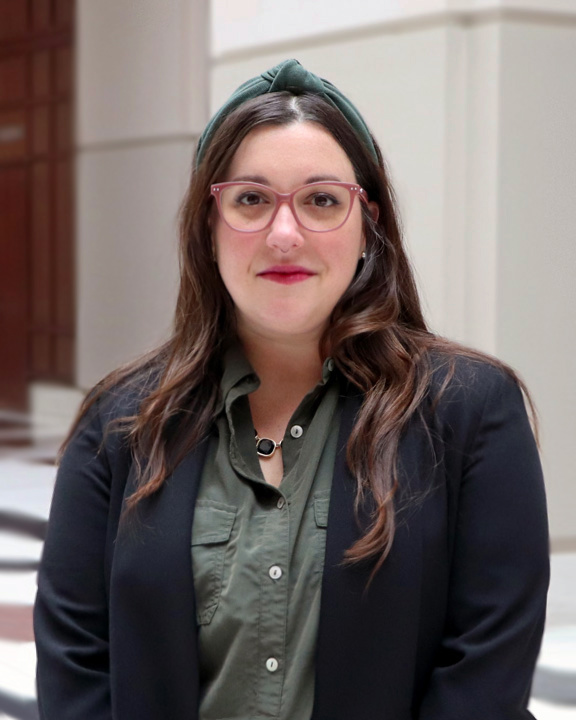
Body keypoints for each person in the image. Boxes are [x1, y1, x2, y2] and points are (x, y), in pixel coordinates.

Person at [34, 59, 549, 720]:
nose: (285, 234)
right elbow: (76, 666)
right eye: (251, 200)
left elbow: (485, 671)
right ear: (207, 227)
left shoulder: (471, 411)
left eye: (321, 201)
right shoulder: (120, 423)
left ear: (369, 227)